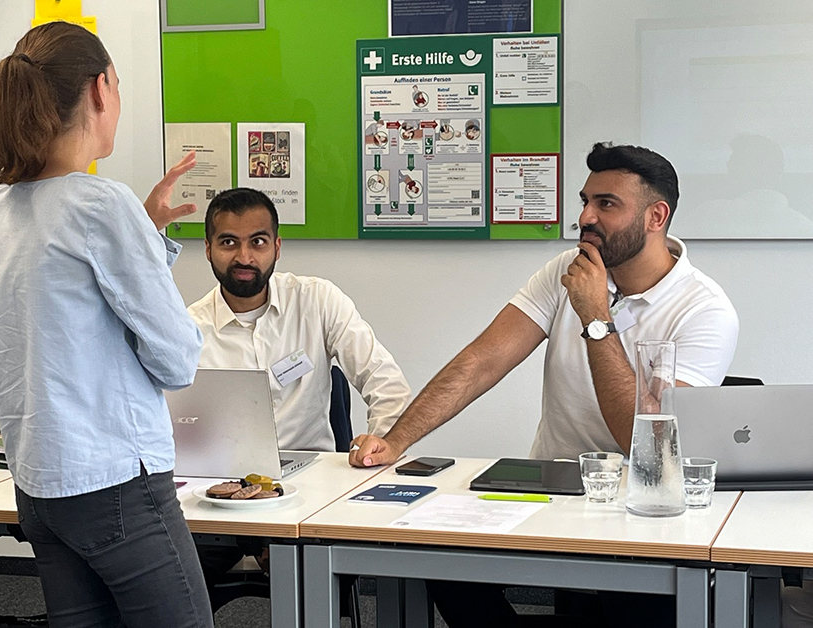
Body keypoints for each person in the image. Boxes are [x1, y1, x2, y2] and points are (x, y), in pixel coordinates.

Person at [349, 142, 740, 627]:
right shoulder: (567, 270)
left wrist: (596, 316)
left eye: (607, 204)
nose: (586, 217)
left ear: (656, 216)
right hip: (556, 493)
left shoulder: (705, 310)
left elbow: (646, 447)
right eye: (585, 201)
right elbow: (482, 360)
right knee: (438, 553)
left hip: (646, 511)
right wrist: (395, 441)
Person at [0, 22, 213, 627]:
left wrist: (145, 232)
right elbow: (178, 359)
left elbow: (68, 320)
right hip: (117, 486)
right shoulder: (100, 205)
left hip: (42, 485)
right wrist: (135, 226)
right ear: (100, 89)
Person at [188, 187, 411, 607]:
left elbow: (386, 382)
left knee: (314, 590)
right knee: (169, 589)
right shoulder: (186, 328)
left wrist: (382, 442)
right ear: (207, 248)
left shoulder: (317, 301)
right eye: (228, 242)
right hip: (218, 496)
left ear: (277, 246)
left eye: (257, 241)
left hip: (310, 491)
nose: (244, 257)